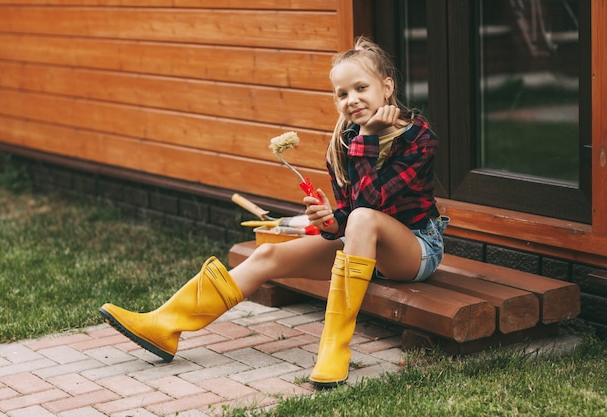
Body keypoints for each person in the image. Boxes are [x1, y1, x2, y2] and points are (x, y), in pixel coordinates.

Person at [99, 36, 449, 389]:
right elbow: (352, 211)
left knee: (362, 219)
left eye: (361, 88)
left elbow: (371, 204)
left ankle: (334, 349)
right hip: (362, 247)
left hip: (415, 250)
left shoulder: (418, 138)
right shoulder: (344, 142)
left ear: (386, 87)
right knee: (267, 254)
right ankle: (165, 326)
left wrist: (368, 139)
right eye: (342, 94)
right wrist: (329, 221)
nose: (352, 100)